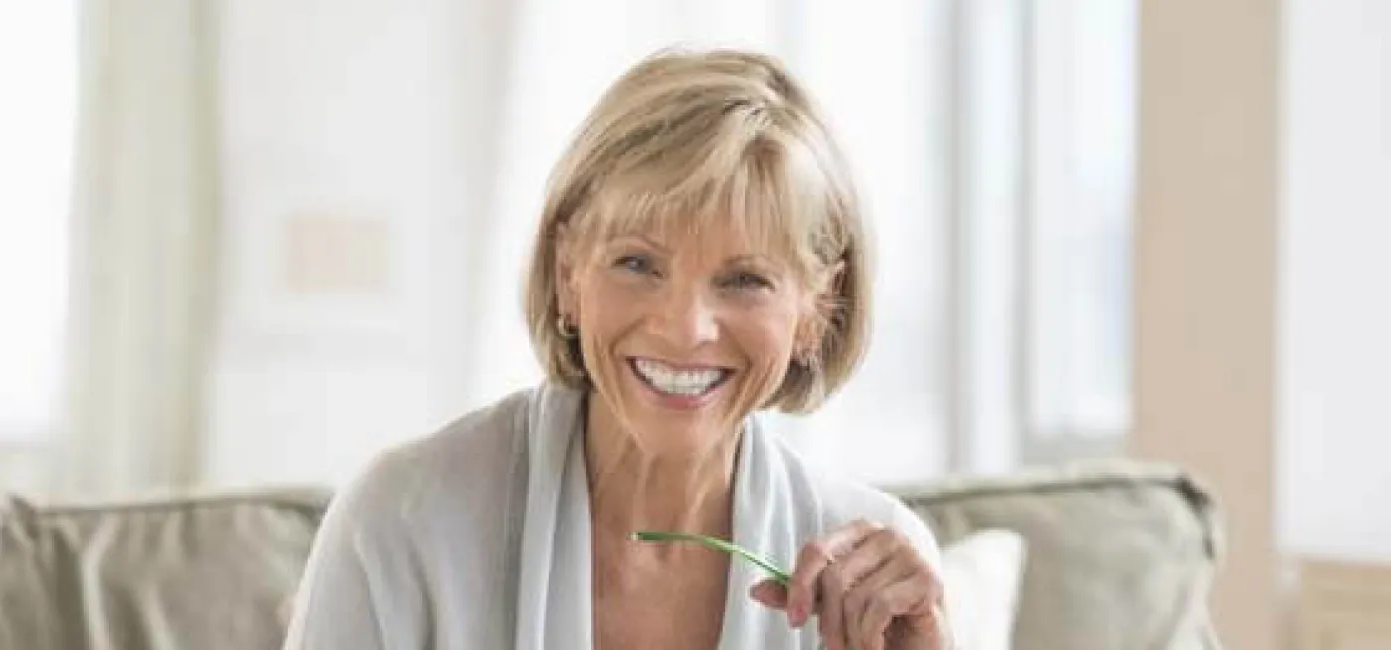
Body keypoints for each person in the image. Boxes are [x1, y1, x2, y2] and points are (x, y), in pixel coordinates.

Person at [282, 48, 950, 650]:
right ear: (569, 271)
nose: (686, 328)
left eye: (743, 280)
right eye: (637, 263)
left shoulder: (874, 571)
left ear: (816, 309)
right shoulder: (401, 524)